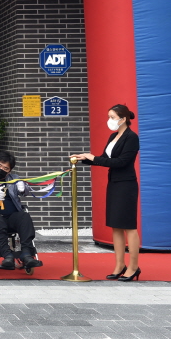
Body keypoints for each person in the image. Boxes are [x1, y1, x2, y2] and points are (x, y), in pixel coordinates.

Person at [71, 104, 140, 281]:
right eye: (108, 117)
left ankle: (133, 267)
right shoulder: (113, 136)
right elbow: (105, 159)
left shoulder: (132, 137)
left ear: (123, 119)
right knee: (116, 225)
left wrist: (93, 157)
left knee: (129, 227)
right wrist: (85, 158)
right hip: (114, 184)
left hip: (126, 185)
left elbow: (122, 162)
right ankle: (119, 265)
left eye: (112, 117)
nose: (109, 121)